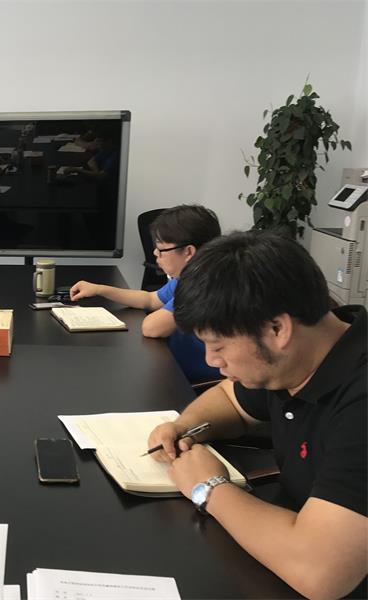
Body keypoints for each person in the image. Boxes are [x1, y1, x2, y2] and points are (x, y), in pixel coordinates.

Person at [147, 231, 367, 599]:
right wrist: (184, 426)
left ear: (277, 329)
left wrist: (209, 488)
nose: (212, 362)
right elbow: (230, 399)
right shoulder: (296, 360)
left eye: (218, 346)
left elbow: (320, 571)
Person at [70, 204, 221, 382]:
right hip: (171, 367)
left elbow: (152, 328)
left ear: (188, 252)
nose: (155, 253)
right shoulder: (186, 278)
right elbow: (150, 299)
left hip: (193, 383)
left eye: (161, 249)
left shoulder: (205, 287)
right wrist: (99, 289)